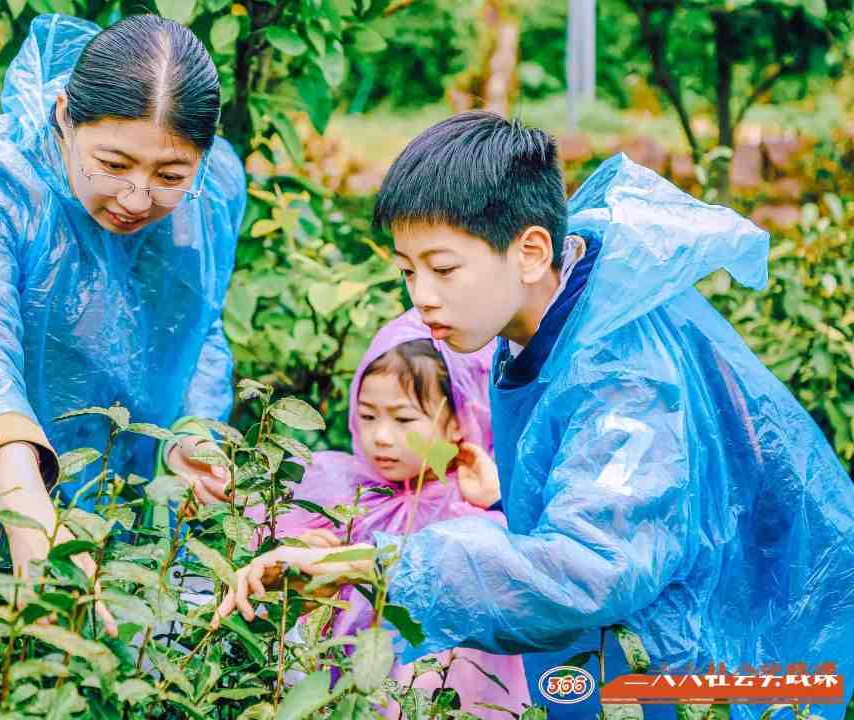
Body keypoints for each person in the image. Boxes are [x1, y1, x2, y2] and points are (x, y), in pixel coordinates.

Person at [214, 112, 854, 719]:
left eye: (443, 269)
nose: (423, 297)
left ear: (529, 251)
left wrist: (371, 563)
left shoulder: (621, 379)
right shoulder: (535, 322)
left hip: (707, 675)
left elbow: (587, 569)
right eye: (409, 271)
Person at [0, 14, 245, 635]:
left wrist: (193, 431)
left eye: (169, 176)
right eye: (113, 163)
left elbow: (199, 322)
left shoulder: (214, 190)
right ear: (63, 114)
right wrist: (28, 511)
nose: (136, 198)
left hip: (123, 507)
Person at [250, 308, 530, 718]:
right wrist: (296, 553)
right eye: (367, 416)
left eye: (403, 419)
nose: (381, 436)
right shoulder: (336, 488)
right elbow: (265, 560)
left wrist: (496, 504)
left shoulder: (471, 507)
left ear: (458, 419)